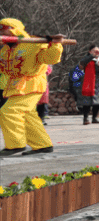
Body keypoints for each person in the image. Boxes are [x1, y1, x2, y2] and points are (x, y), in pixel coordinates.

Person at [0, 19, 64, 156]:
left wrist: (55, 44)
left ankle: (15, 144)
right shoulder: (6, 49)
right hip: (16, 86)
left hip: (32, 84)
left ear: (12, 29)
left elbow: (50, 59)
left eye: (2, 29)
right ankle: (42, 145)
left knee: (9, 111)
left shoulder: (34, 43)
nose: (0, 33)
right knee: (28, 116)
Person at [79, 46, 99, 124]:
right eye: (94, 50)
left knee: (98, 102)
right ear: (90, 51)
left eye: (98, 51)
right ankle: (85, 118)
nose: (96, 52)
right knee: (87, 102)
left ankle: (94, 118)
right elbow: (82, 63)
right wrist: (92, 56)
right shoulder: (87, 59)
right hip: (89, 83)